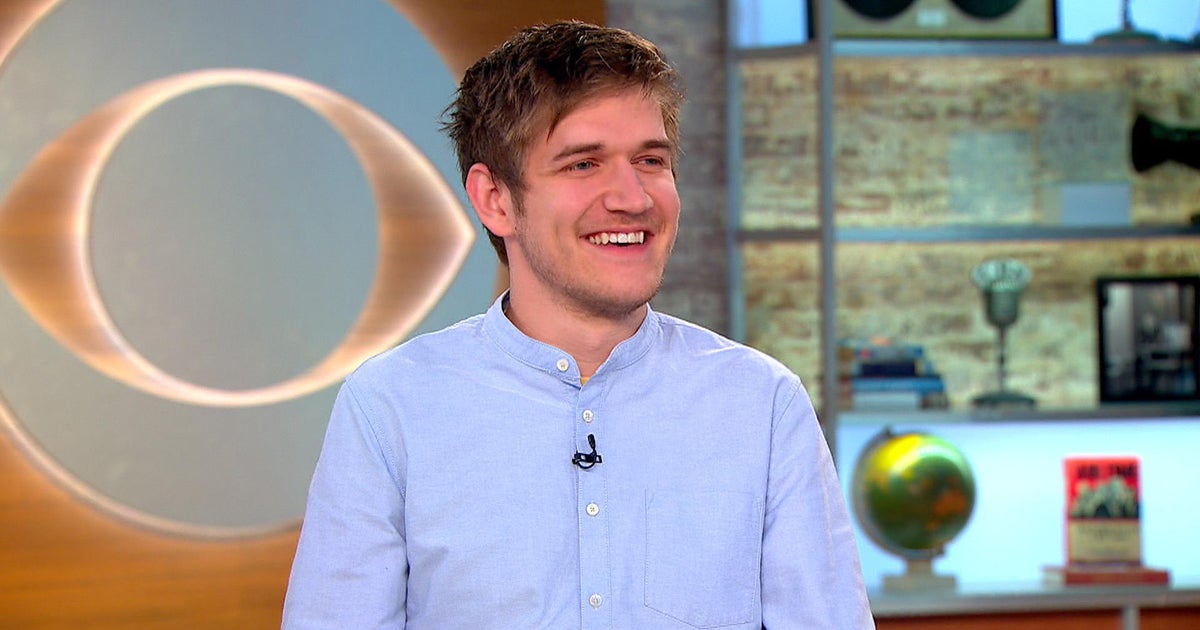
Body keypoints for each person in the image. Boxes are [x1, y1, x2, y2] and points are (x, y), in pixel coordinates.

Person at [282, 20, 874, 629]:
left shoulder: (761, 404)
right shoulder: (391, 406)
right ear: (495, 200)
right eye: (584, 164)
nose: (633, 198)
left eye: (650, 160)